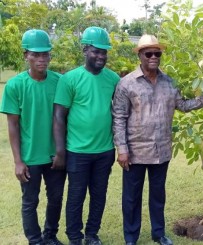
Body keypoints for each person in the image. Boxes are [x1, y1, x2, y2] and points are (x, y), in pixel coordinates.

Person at [112, 34, 203, 245]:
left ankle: (158, 233)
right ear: (140, 55)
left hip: (161, 150)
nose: (153, 56)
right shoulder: (126, 84)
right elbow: (119, 117)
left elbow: (184, 105)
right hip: (135, 151)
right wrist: (122, 149)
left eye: (157, 53)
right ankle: (131, 237)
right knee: (131, 197)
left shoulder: (169, 82)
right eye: (148, 53)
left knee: (158, 196)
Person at [53, 26, 120, 245]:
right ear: (85, 50)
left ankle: (92, 234)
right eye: (96, 51)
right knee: (76, 196)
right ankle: (74, 237)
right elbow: (59, 116)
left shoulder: (113, 79)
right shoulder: (69, 79)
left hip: (105, 150)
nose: (101, 56)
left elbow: (119, 111)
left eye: (104, 52)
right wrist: (60, 151)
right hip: (77, 151)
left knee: (99, 196)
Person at [0, 29, 66, 245]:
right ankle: (35, 240)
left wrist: (60, 151)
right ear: (25, 55)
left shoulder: (59, 82)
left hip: (55, 155)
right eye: (35, 54)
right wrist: (18, 161)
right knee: (30, 201)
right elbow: (12, 124)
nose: (41, 59)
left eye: (45, 54)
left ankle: (50, 235)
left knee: (55, 199)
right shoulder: (15, 85)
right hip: (30, 157)